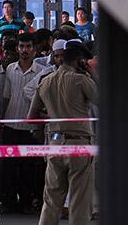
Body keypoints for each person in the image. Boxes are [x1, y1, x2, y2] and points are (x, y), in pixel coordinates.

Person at [28, 42, 96, 225]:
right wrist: (91, 73)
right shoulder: (81, 80)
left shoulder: (45, 81)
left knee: (51, 197)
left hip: (55, 143)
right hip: (79, 144)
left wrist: (54, 115)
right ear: (80, 61)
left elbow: (31, 116)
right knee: (79, 198)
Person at [0, 33, 45, 214]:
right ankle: (9, 202)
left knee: (27, 167)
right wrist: (2, 120)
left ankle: (27, 202)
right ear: (17, 49)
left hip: (30, 128)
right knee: (9, 167)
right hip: (11, 124)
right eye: (21, 47)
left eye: (28, 47)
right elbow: (6, 97)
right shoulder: (10, 69)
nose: (24, 50)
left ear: (34, 49)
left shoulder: (42, 70)